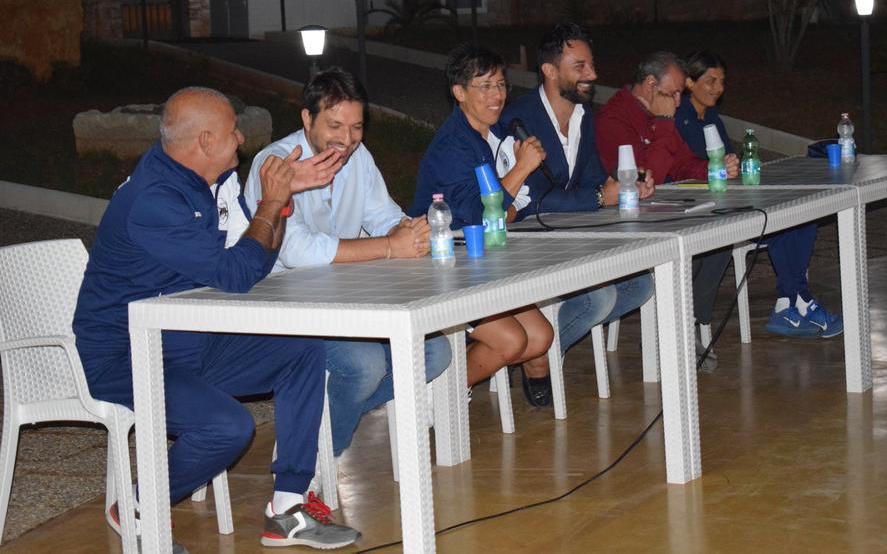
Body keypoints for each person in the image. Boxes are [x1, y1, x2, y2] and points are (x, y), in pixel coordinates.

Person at [72, 87, 361, 551]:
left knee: (302, 347)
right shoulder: (155, 200)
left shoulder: (201, 181)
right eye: (233, 131)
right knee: (226, 427)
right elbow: (236, 272)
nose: (241, 138)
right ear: (205, 141)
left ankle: (287, 508)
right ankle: (139, 506)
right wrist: (271, 201)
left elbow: (254, 260)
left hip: (183, 341)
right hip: (127, 357)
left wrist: (282, 200)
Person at [244, 67, 452, 460]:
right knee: (363, 365)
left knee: (434, 352)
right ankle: (314, 458)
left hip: (345, 297)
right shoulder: (274, 164)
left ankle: (316, 427)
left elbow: (382, 214)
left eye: (356, 127)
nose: (347, 139)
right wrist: (389, 247)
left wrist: (407, 230)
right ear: (307, 119)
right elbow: (295, 251)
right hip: (283, 304)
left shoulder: (358, 157)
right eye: (335, 126)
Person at [499, 22, 655, 367]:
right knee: (597, 299)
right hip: (524, 241)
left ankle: (542, 351)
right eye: (580, 66)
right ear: (550, 70)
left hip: (569, 235)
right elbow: (529, 201)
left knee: (640, 284)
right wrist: (599, 197)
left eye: (592, 64)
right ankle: (540, 361)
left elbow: (593, 180)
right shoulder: (518, 120)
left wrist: (626, 184)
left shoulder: (584, 115)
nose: (592, 74)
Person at [410, 44, 555, 406]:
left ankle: (446, 385)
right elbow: (477, 213)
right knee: (513, 340)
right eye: (485, 86)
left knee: (540, 337)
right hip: (446, 264)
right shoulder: (452, 146)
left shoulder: (493, 135)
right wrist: (521, 169)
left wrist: (512, 194)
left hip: (483, 259)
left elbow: (507, 207)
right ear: (459, 92)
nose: (497, 96)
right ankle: (435, 399)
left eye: (501, 85)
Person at [675, 49, 843, 339]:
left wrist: (732, 164)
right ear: (689, 82)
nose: (718, 88)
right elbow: (683, 169)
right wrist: (716, 169)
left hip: (729, 196)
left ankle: (790, 302)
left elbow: (728, 158)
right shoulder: (680, 118)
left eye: (722, 81)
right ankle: (797, 301)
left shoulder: (712, 116)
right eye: (711, 81)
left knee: (801, 217)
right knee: (780, 223)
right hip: (703, 206)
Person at [593, 51, 734, 363]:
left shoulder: (658, 112)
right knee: (690, 242)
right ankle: (672, 330)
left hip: (657, 206)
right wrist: (665, 123)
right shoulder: (614, 119)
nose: (678, 102)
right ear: (650, 84)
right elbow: (644, 178)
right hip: (621, 212)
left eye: (680, 94)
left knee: (720, 233)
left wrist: (714, 168)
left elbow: (682, 162)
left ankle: (687, 321)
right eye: (673, 93)